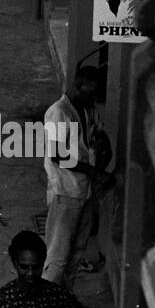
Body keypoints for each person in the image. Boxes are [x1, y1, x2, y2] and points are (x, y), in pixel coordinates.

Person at [42, 67, 109, 286]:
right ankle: (48, 306)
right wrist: (95, 172)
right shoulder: (58, 112)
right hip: (65, 191)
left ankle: (66, 303)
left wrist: (102, 145)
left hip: (84, 191)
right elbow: (58, 155)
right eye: (92, 92)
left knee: (76, 251)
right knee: (58, 255)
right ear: (79, 86)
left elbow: (99, 134)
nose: (95, 97)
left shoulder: (87, 107)